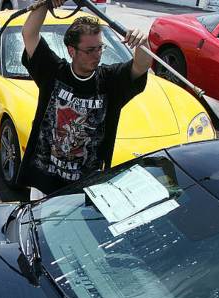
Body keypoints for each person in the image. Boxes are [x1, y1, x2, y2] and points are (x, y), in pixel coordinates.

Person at [20, 0, 152, 200]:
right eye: (90, 50)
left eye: (100, 48)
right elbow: (29, 34)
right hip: (44, 184)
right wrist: (46, 2)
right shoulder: (54, 72)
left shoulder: (110, 81)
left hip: (86, 189)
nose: (97, 55)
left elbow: (141, 66)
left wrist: (143, 42)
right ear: (72, 51)